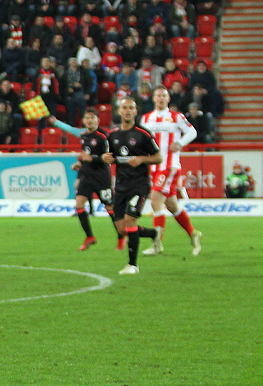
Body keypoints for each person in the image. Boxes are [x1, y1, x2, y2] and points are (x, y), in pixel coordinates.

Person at [139, 86, 203, 256]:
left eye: (164, 95)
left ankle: (157, 244)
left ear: (168, 99)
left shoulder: (176, 117)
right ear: (153, 98)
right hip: (154, 167)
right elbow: (141, 140)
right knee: (172, 204)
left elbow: (192, 132)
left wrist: (180, 143)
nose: (161, 98)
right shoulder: (146, 118)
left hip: (169, 166)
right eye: (158, 95)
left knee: (155, 201)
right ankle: (193, 233)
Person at [49, 109, 124, 251]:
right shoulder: (83, 136)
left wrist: (93, 159)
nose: (89, 120)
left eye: (92, 118)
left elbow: (109, 157)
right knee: (79, 205)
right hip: (87, 176)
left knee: (110, 208)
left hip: (102, 178)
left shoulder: (104, 137)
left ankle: (121, 237)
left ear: (98, 120)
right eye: (87, 118)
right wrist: (80, 163)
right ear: (83, 121)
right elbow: (86, 155)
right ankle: (90, 236)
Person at [102, 98, 162, 275]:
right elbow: (111, 156)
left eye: (131, 108)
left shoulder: (143, 134)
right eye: (124, 108)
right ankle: (154, 234)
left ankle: (132, 265)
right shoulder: (113, 135)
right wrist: (106, 158)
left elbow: (159, 157)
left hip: (139, 184)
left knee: (130, 221)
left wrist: (142, 159)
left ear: (136, 112)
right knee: (122, 229)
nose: (128, 111)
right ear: (119, 111)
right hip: (121, 186)